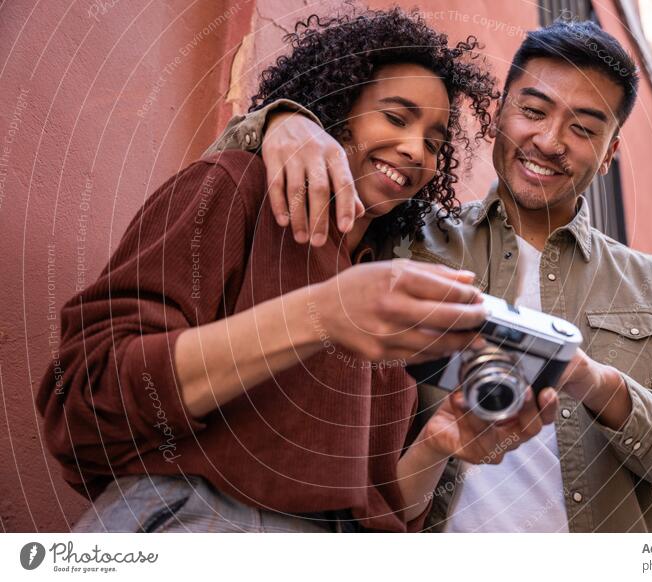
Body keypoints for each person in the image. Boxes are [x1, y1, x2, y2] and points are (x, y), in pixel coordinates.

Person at [37, 7, 559, 533]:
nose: (414, 150)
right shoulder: (237, 186)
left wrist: (439, 444)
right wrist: (320, 316)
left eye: (433, 142)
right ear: (339, 108)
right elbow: (86, 393)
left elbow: (381, 512)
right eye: (396, 118)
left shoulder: (384, 270)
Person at [214, 20, 652, 532]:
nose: (549, 141)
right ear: (499, 113)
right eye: (532, 111)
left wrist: (592, 381)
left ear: (611, 151)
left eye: (585, 129)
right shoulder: (406, 235)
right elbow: (279, 192)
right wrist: (283, 121)